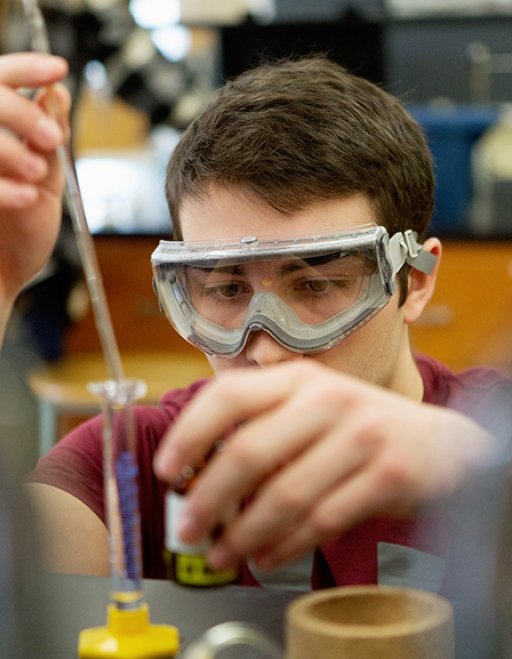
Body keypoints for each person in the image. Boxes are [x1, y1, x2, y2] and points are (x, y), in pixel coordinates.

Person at [17, 53, 511, 596]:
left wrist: (484, 483)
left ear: (413, 283)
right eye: (227, 289)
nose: (268, 354)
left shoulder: (490, 436)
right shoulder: (149, 463)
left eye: (317, 285)